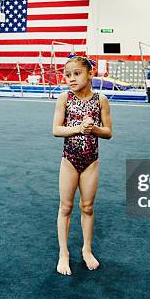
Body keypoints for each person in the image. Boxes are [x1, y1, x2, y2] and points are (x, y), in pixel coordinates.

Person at [52, 56, 113, 276]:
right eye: (68, 75)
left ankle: (87, 249)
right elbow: (57, 129)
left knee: (87, 207)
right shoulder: (64, 98)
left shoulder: (101, 100)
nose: (71, 78)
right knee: (65, 207)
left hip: (91, 161)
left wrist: (94, 129)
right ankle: (63, 253)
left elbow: (108, 132)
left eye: (77, 73)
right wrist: (79, 128)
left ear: (90, 74)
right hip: (69, 160)